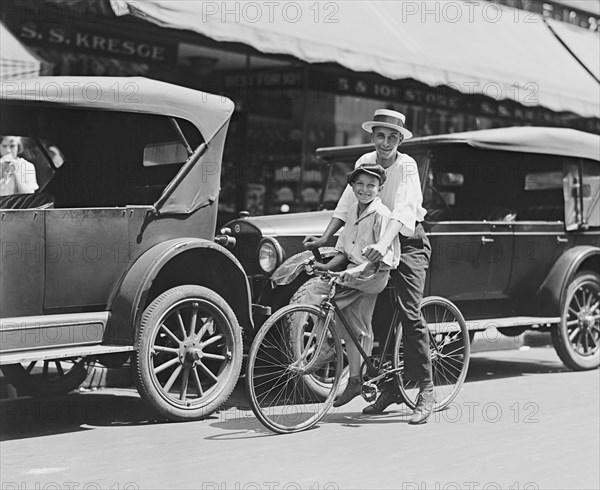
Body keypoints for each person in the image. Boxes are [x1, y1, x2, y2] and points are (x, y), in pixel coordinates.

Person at [304, 109, 434, 424]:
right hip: (373, 241)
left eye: (393, 137)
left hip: (408, 241)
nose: (385, 142)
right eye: (380, 136)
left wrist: (383, 244)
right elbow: (348, 204)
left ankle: (427, 389)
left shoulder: (407, 166)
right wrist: (324, 238)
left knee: (408, 310)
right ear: (372, 136)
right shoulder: (364, 162)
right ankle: (380, 384)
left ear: (400, 140)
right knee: (364, 310)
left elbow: (403, 211)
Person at [304, 163, 399, 407]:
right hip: (355, 273)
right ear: (352, 187)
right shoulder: (353, 212)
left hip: (374, 274)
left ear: (379, 189)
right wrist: (328, 267)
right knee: (354, 327)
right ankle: (356, 379)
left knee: (326, 294)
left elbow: (380, 257)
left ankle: (325, 348)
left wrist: (354, 271)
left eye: (371, 185)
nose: (365, 189)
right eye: (360, 184)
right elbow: (344, 252)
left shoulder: (382, 215)